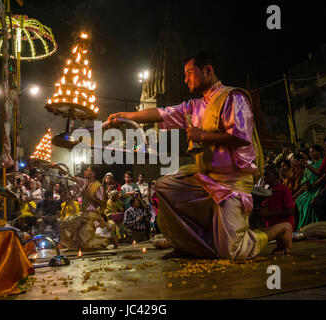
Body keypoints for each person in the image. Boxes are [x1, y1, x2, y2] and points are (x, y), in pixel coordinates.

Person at [108, 50, 292, 259]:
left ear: (208, 70)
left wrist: (201, 135)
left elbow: (241, 137)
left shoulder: (233, 97)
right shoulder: (192, 107)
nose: (185, 79)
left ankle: (280, 229)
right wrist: (124, 116)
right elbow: (160, 113)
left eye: (189, 73)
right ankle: (189, 245)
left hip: (232, 183)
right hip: (205, 179)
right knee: (165, 187)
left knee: (233, 251)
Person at [59, 166, 110, 250]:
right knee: (66, 224)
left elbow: (101, 204)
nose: (85, 172)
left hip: (91, 215)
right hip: (83, 213)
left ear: (93, 174)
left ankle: (108, 240)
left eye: (87, 170)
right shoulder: (85, 182)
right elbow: (71, 177)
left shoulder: (98, 186)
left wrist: (88, 194)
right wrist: (58, 167)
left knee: (86, 244)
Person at [258, 165, 295, 236]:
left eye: (267, 175)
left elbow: (291, 211)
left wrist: (270, 213)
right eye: (264, 175)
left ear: (275, 176)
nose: (264, 177)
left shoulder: (284, 190)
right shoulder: (266, 191)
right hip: (271, 228)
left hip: (283, 230)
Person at [295, 145, 324, 229]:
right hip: (310, 189)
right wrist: (306, 184)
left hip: (318, 188)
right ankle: (303, 226)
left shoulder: (322, 162)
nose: (311, 154)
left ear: (319, 152)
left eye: (313, 152)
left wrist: (309, 167)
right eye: (310, 153)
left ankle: (314, 226)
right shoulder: (310, 164)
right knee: (299, 200)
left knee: (310, 201)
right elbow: (305, 179)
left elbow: (322, 175)